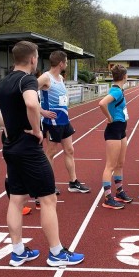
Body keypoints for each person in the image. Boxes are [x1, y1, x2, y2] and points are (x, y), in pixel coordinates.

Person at [0, 41, 84, 267]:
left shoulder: (4, 81)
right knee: (48, 199)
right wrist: (37, 130)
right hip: (28, 146)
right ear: (33, 59)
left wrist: (7, 124)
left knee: (17, 200)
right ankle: (56, 253)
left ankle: (18, 251)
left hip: (10, 146)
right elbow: (30, 103)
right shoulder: (27, 79)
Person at [40, 50, 90, 193]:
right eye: (66, 62)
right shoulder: (45, 78)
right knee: (50, 153)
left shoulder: (61, 78)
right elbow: (28, 93)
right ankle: (49, 184)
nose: (67, 64)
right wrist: (41, 111)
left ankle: (73, 183)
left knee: (70, 150)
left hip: (64, 121)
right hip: (52, 122)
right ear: (61, 63)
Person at [98, 64, 133, 210]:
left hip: (121, 130)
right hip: (113, 129)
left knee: (120, 163)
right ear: (124, 77)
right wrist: (109, 117)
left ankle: (119, 192)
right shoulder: (116, 92)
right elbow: (102, 103)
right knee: (110, 165)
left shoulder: (119, 90)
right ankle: (107, 198)